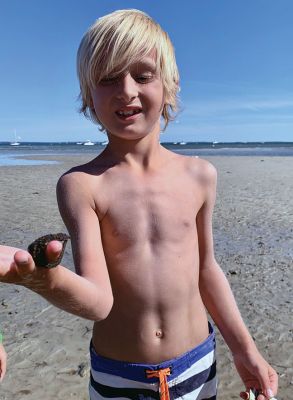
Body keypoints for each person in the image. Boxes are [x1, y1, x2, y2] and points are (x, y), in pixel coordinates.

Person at [0, 9, 278, 400]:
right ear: (88, 95)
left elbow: (206, 270)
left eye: (143, 76)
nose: (126, 90)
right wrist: (46, 280)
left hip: (198, 362)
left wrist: (246, 351)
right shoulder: (81, 185)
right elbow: (98, 301)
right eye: (108, 79)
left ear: (169, 84)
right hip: (118, 375)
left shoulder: (200, 175)